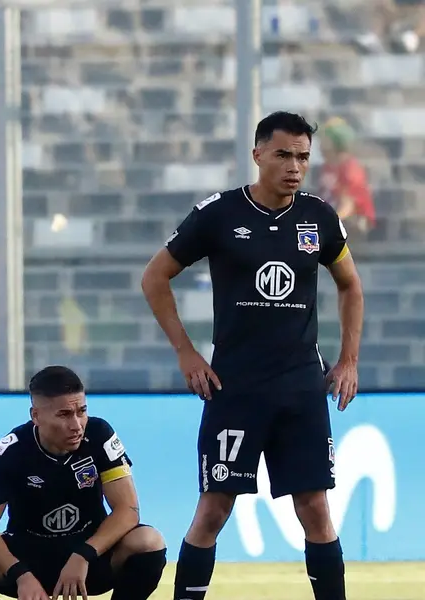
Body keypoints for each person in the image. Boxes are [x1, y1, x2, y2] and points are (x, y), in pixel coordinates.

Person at [140, 111, 364, 600]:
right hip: (236, 385)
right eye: (283, 154)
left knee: (315, 508)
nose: (294, 166)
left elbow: (350, 285)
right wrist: (187, 353)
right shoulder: (219, 214)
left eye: (303, 157)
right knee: (214, 508)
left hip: (301, 384)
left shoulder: (319, 216)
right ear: (258, 153)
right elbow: (155, 277)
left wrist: (348, 360)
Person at [0, 366, 167, 600]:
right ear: (36, 416)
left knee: (148, 541)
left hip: (90, 558)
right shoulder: (10, 454)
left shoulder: (99, 434)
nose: (76, 425)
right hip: (28, 560)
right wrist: (20, 575)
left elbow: (128, 510)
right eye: (64, 414)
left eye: (81, 411)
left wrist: (83, 555)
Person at [318, 117, 375, 239]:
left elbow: (348, 205)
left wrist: (328, 224)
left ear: (336, 141)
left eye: (324, 139)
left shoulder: (350, 168)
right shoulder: (328, 167)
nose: (320, 144)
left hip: (353, 224)